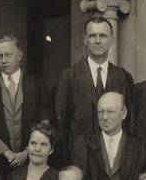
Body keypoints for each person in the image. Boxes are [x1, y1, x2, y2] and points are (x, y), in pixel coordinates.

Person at [0, 35, 53, 171]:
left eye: (8, 55)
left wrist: (28, 151)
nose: (4, 61)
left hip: (31, 159)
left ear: (20, 56)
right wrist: (5, 152)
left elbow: (45, 122)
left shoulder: (36, 84)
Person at [55, 17, 136, 148]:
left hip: (116, 157)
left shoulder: (123, 77)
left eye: (103, 36)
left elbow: (130, 122)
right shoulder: (69, 77)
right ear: (85, 39)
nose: (98, 41)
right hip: (79, 157)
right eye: (93, 36)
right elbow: (61, 124)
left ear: (112, 39)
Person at [71, 92, 146, 180]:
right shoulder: (83, 145)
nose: (104, 117)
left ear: (123, 113)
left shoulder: (138, 147)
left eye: (110, 111)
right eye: (101, 112)